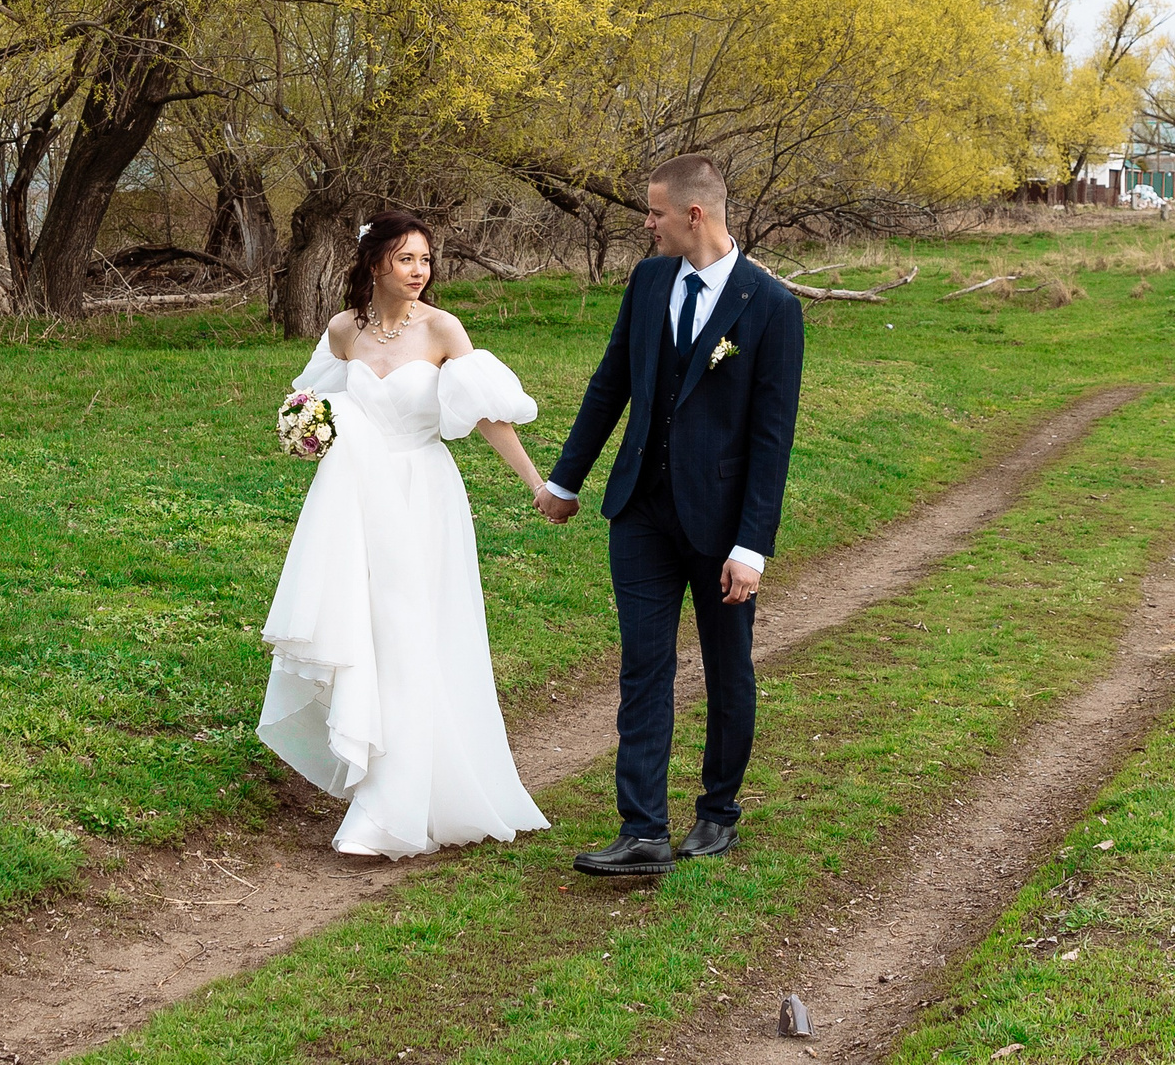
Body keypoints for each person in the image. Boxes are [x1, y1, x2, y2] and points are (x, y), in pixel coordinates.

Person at [257, 212, 560, 858]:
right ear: (375, 265)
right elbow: (309, 401)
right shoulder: (344, 330)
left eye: (425, 259)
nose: (419, 270)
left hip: (423, 498)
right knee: (371, 631)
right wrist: (307, 429)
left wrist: (537, 484)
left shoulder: (442, 329)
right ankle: (380, 783)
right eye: (405, 259)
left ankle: (401, 800)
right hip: (356, 500)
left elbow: (487, 414)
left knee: (413, 632)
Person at [542, 154, 804, 876]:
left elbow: (772, 438)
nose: (646, 223)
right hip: (641, 509)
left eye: (654, 211)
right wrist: (566, 479)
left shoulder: (771, 306)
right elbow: (611, 383)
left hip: (722, 525)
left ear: (694, 214)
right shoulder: (649, 280)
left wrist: (751, 546)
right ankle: (643, 830)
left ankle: (718, 811)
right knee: (644, 666)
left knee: (727, 668)